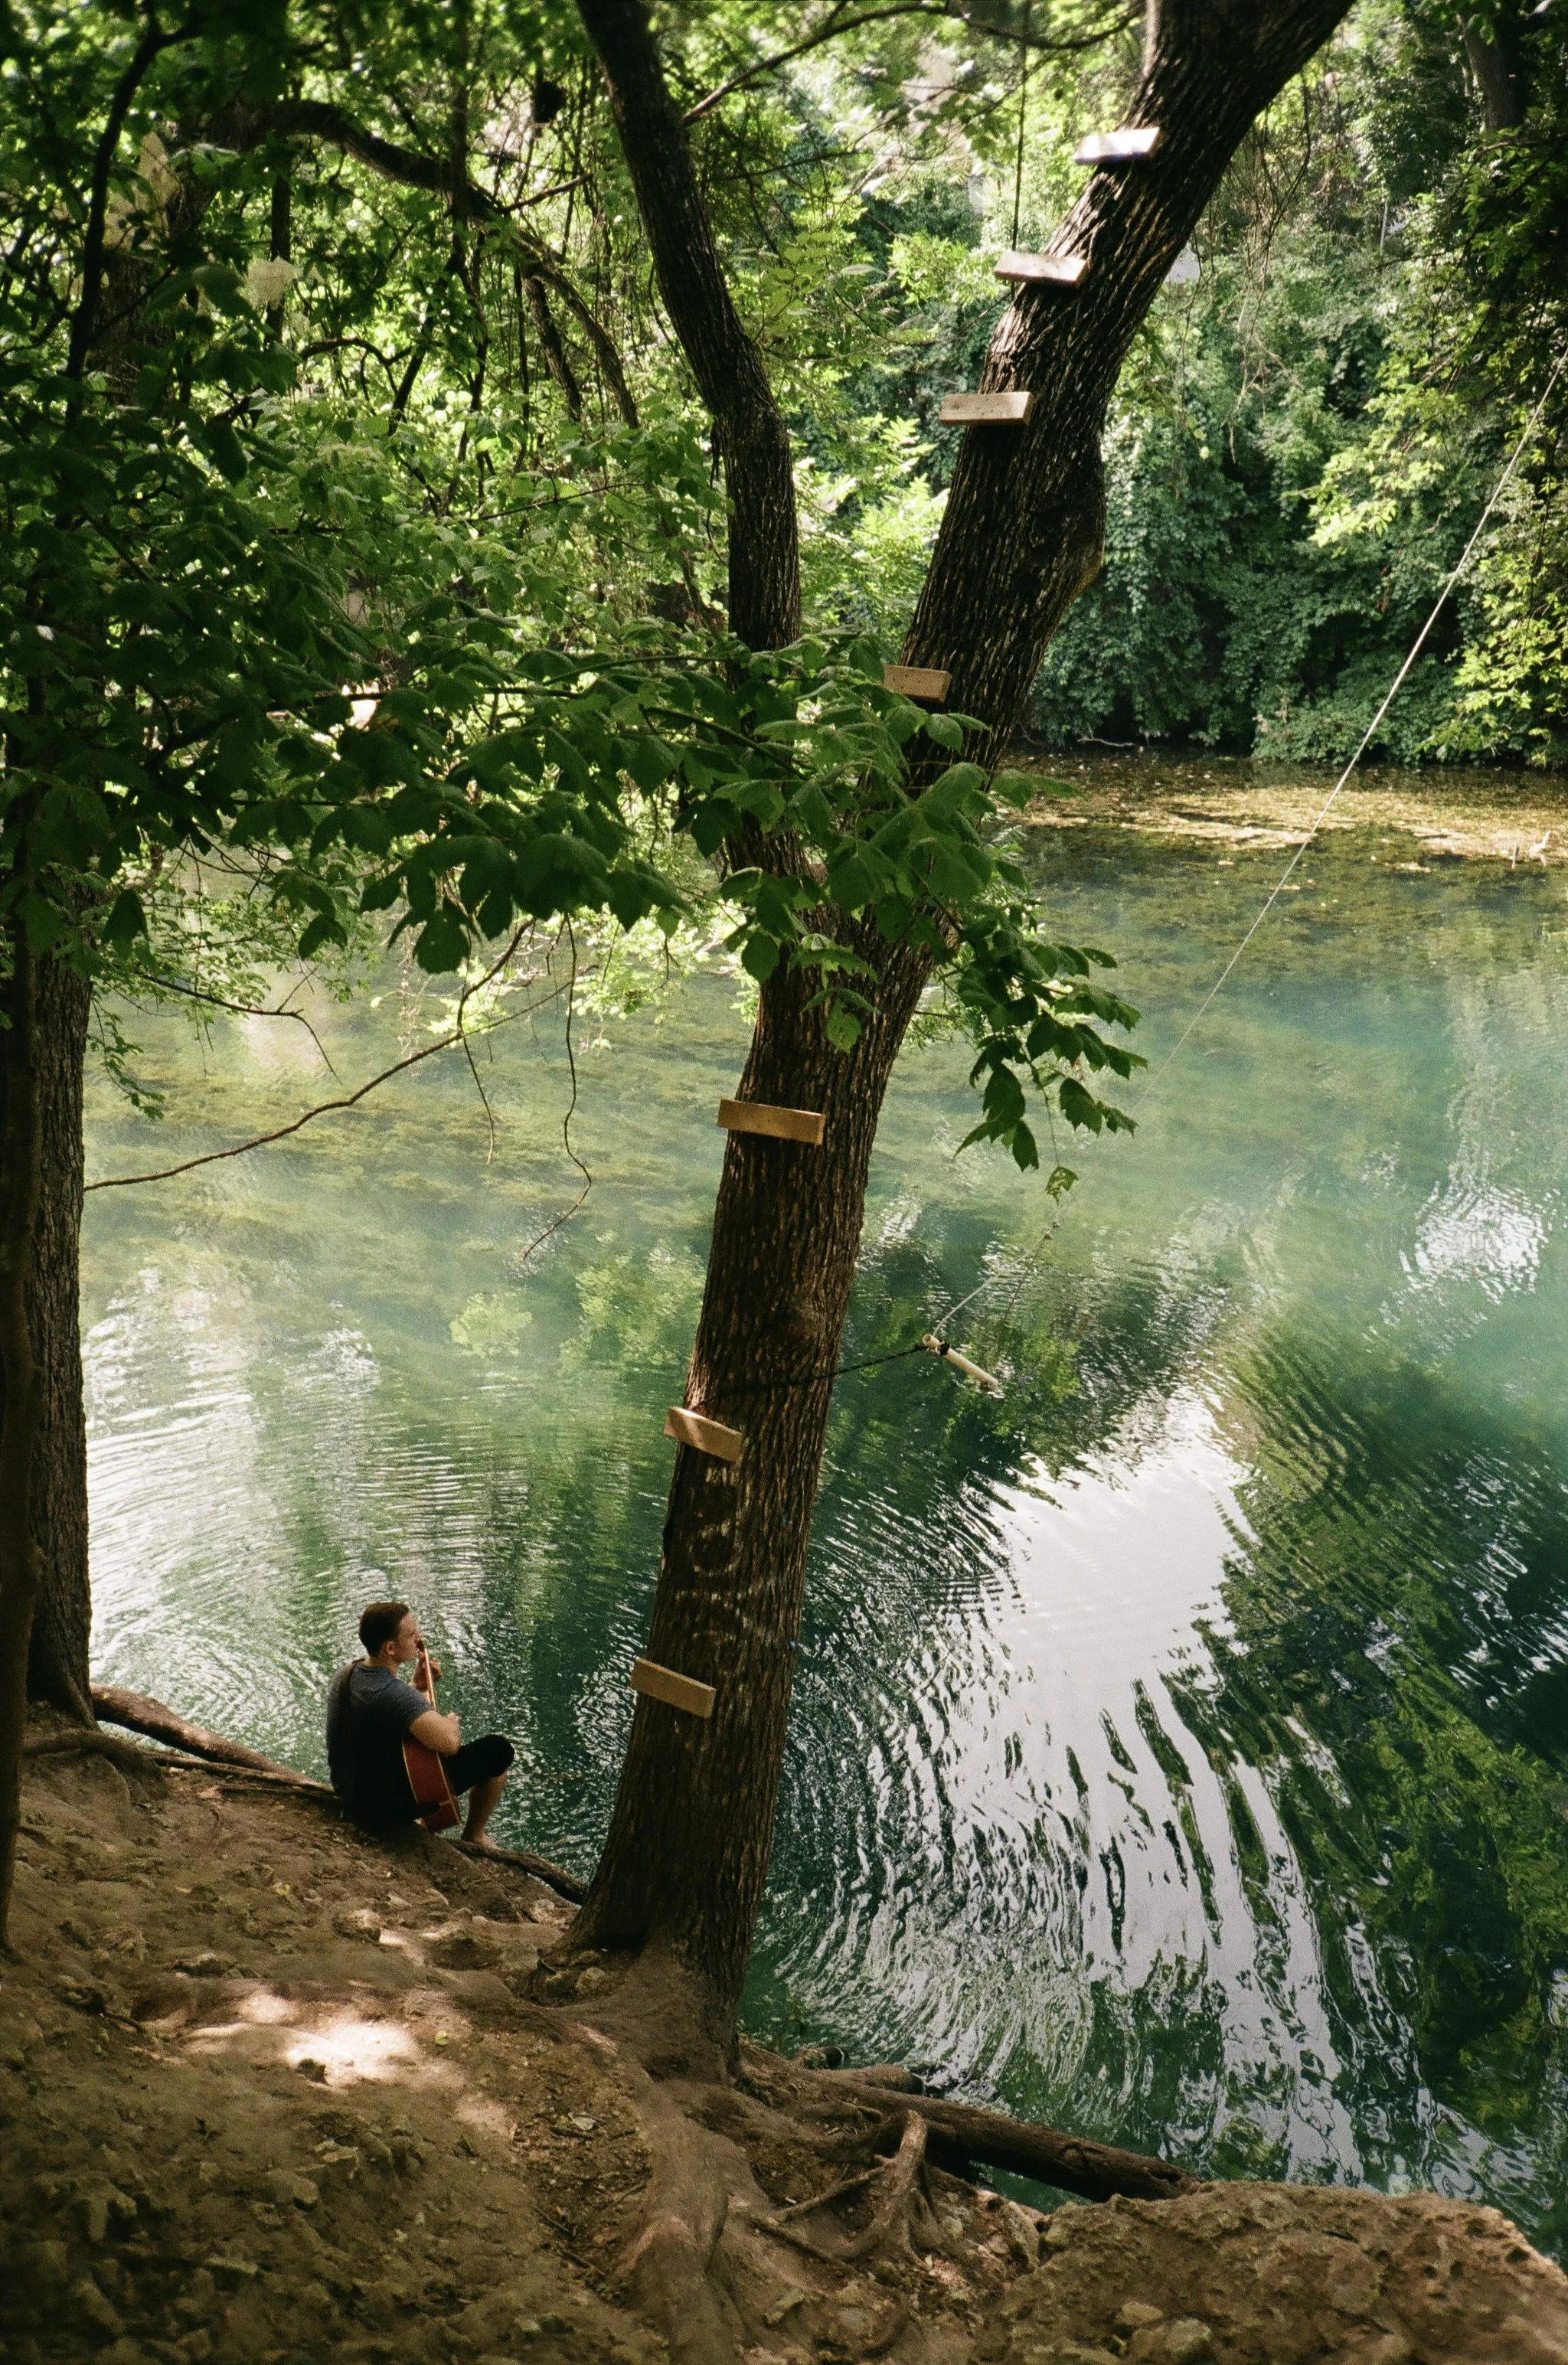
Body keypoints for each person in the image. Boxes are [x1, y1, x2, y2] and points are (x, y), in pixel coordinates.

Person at [326, 1600, 514, 1847]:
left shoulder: (348, 1673)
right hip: (380, 1812)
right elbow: (450, 1743)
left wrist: (416, 1687)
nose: (419, 1638)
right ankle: (474, 1835)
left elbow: (380, 1715)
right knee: (498, 1751)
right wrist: (450, 1723)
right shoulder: (393, 1693)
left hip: (349, 1793)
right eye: (411, 1634)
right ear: (391, 1649)